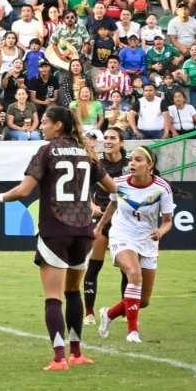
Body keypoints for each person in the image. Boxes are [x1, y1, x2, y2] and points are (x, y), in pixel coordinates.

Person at [0, 106, 117, 370]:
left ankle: (59, 358)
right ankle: (77, 353)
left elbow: (24, 190)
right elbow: (112, 188)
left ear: (59, 126)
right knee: (73, 291)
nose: (41, 126)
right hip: (83, 232)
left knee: (53, 297)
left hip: (55, 231)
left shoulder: (46, 152)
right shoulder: (87, 153)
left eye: (46, 122)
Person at [96, 146, 174, 344]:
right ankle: (133, 332)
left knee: (144, 301)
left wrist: (161, 232)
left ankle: (110, 313)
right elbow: (112, 206)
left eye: (138, 160)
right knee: (134, 273)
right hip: (122, 234)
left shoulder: (162, 188)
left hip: (147, 239)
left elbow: (167, 221)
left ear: (150, 165)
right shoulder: (119, 183)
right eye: (131, 159)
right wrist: (99, 227)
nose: (132, 163)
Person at [82, 127, 128, 326]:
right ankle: (89, 313)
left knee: (127, 270)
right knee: (94, 266)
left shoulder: (130, 165)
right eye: (106, 138)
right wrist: (91, 205)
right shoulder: (95, 164)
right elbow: (82, 188)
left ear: (121, 142)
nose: (108, 141)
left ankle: (126, 311)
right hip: (102, 222)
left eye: (112, 138)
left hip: (125, 223)